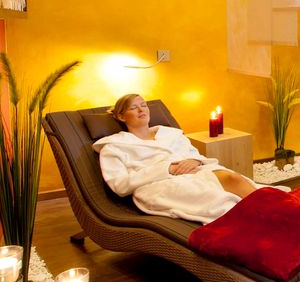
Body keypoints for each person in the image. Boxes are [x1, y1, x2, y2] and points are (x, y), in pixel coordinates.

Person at [92, 94, 279, 224]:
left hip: (194, 170)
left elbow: (196, 155)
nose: (141, 109)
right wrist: (167, 169)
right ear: (121, 116)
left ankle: (277, 211)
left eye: (144, 105)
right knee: (217, 199)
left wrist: (196, 161)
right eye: (134, 107)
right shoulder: (114, 146)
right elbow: (120, 185)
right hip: (157, 184)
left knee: (233, 178)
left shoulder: (171, 134)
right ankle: (255, 223)